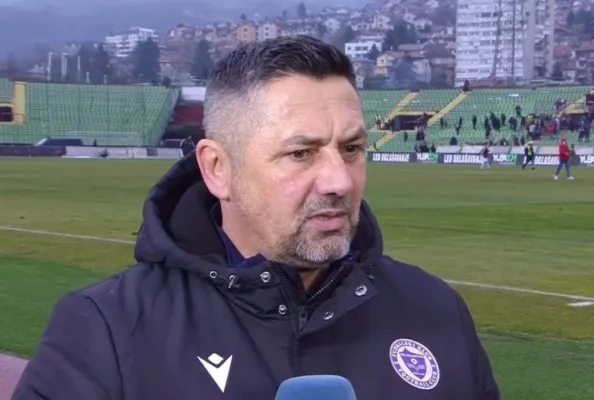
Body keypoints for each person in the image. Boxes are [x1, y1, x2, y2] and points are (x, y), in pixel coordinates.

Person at [13, 36, 499, 400]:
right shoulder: (105, 331)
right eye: (301, 153)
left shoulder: (436, 311)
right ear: (217, 169)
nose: (339, 180)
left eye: (351, 148)